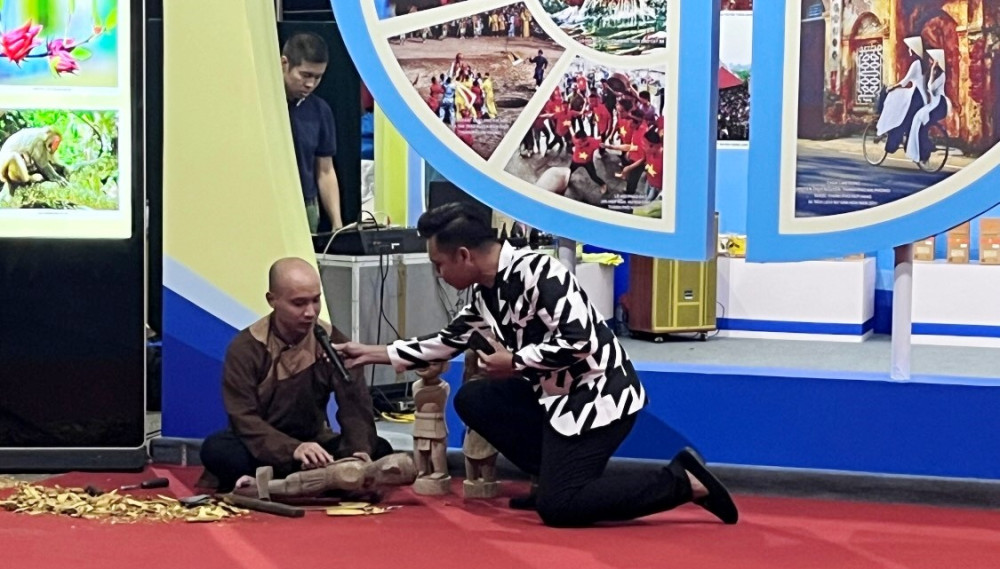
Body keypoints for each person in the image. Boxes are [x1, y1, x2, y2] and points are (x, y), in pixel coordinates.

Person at [335, 204, 739, 528]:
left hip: (599, 398)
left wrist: (514, 361)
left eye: (439, 264)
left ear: (464, 255)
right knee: (475, 398)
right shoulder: (486, 292)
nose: (438, 273)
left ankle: (683, 481)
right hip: (553, 395)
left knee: (560, 508)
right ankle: (552, 476)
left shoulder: (541, 272)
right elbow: (447, 341)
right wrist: (370, 353)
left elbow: (580, 341)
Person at [200, 257, 394, 492]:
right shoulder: (246, 347)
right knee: (217, 449)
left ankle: (308, 478)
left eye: (315, 300)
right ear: (272, 300)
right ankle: (321, 479)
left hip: (316, 445)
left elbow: (355, 406)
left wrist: (358, 453)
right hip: (262, 446)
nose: (310, 312)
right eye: (299, 303)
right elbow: (243, 419)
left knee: (379, 447)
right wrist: (293, 449)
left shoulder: (332, 341)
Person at [281, 32, 343, 233]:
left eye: (318, 77)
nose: (310, 84)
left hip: (306, 205)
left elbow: (325, 170)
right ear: (284, 64)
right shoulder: (261, 104)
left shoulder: (320, 110)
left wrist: (337, 223)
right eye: (305, 75)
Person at [876, 36, 929, 153]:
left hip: (916, 97)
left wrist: (892, 87)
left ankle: (894, 144)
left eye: (910, 48)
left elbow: (905, 81)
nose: (909, 50)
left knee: (900, 118)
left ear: (914, 49)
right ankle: (908, 145)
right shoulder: (925, 63)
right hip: (922, 97)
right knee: (907, 121)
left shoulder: (916, 64)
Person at [906, 48, 949, 166]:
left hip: (939, 105)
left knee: (922, 127)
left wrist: (932, 72)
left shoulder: (942, 75)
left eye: (932, 60)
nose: (930, 61)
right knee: (916, 120)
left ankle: (925, 153)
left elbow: (931, 88)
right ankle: (918, 152)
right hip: (933, 105)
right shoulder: (933, 73)